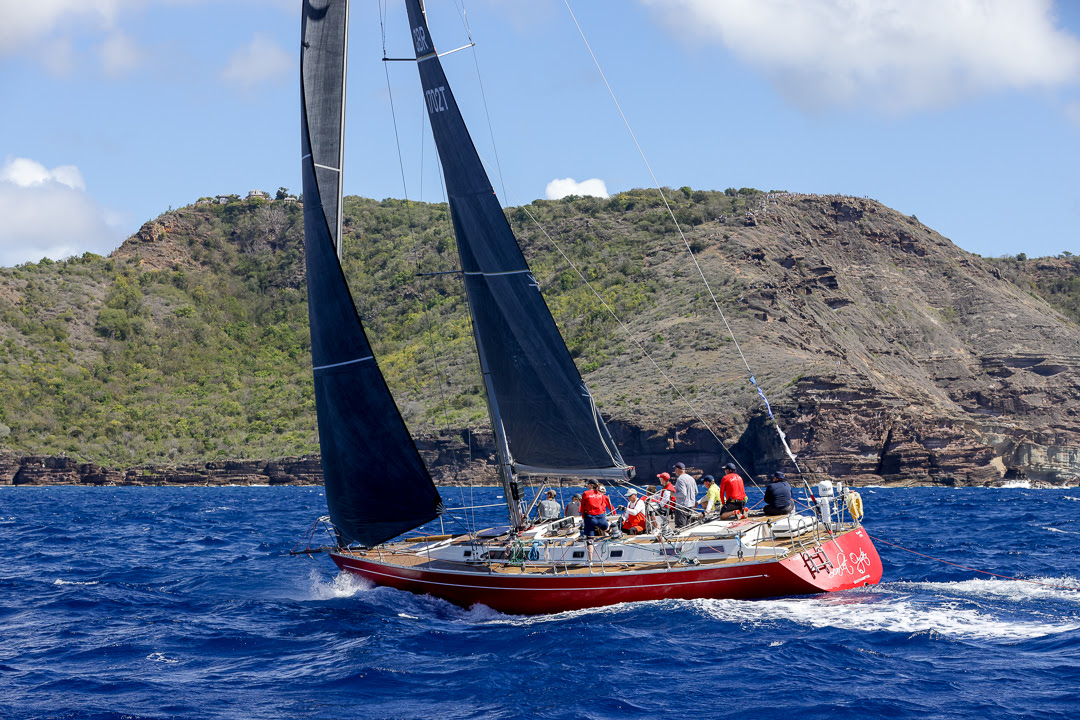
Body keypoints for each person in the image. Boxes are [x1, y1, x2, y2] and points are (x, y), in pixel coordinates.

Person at [673, 462, 697, 529]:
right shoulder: (691, 478)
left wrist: (673, 494)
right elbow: (696, 492)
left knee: (680, 528)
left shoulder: (680, 479)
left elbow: (683, 494)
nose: (675, 471)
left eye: (675, 469)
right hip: (690, 506)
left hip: (681, 507)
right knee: (688, 528)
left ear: (678, 469)